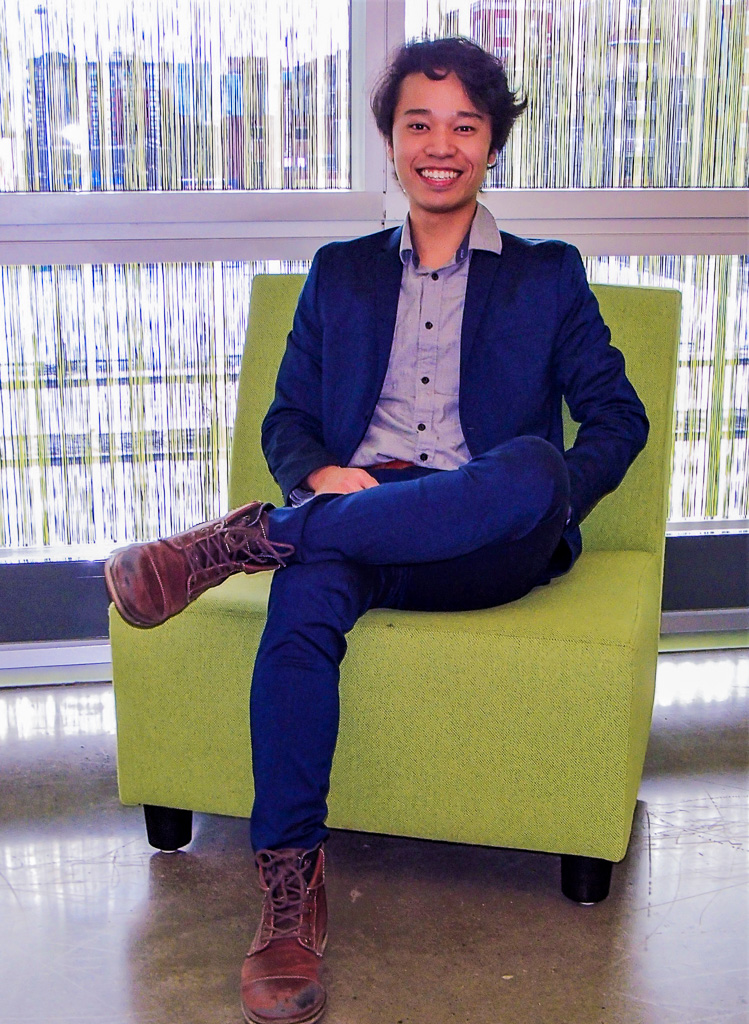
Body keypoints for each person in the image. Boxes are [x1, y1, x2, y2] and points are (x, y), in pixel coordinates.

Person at [105, 37, 649, 1024]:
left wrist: (551, 498)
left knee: (530, 463)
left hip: (488, 531)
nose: (440, 146)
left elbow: (617, 418)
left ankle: (248, 539)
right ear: (389, 142)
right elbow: (289, 417)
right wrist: (320, 477)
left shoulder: (547, 275)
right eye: (417, 124)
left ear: (491, 144)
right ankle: (286, 896)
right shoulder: (339, 273)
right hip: (356, 521)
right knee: (304, 602)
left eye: (463, 126)